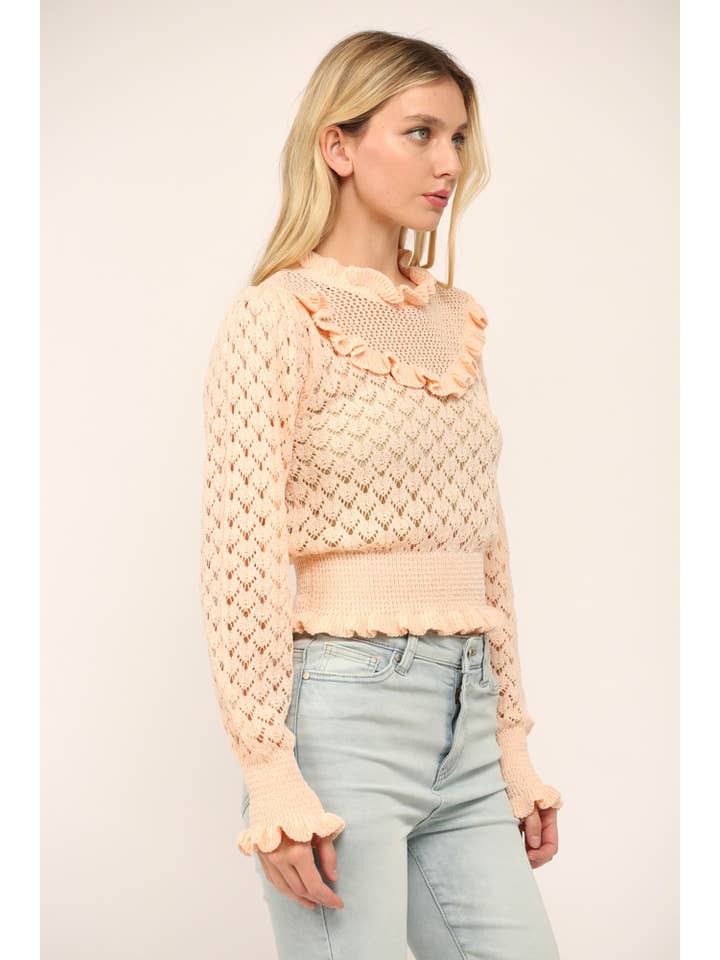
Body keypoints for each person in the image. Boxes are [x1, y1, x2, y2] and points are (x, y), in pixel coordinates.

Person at [200, 29, 563, 960]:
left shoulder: (455, 321)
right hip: (343, 721)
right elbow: (241, 558)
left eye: (458, 138)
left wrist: (511, 742)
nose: (449, 163)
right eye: (421, 133)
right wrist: (270, 772)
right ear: (338, 145)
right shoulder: (275, 317)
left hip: (468, 718)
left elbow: (486, 545)